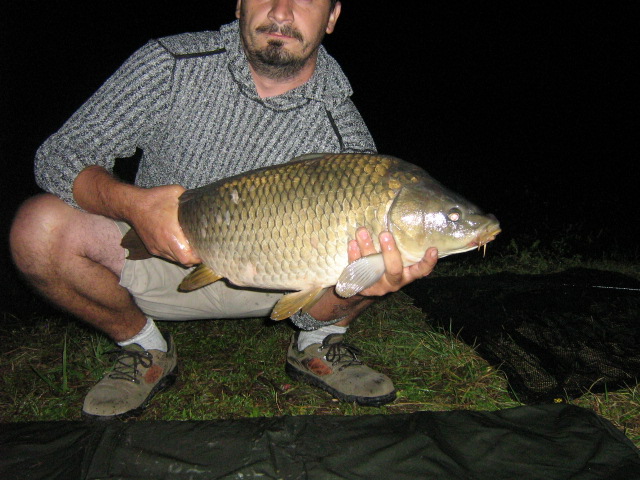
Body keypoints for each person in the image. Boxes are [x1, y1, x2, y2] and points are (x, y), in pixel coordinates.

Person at [10, 0, 437, 419]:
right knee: (38, 229)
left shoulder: (347, 139)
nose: (282, 12)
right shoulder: (171, 64)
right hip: (160, 250)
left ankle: (318, 346)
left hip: (279, 279)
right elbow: (59, 155)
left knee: (384, 255)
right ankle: (143, 345)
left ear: (332, 16)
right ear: (239, 5)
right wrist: (134, 205)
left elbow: (312, 309)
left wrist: (360, 288)